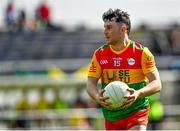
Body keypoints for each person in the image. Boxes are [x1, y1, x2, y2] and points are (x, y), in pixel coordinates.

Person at [87, 8, 162, 130]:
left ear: (123, 29)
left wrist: (138, 93)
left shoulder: (141, 52)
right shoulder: (99, 54)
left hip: (136, 112)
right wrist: (97, 97)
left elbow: (157, 84)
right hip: (112, 115)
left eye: (109, 27)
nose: (105, 32)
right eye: (104, 27)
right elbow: (90, 83)